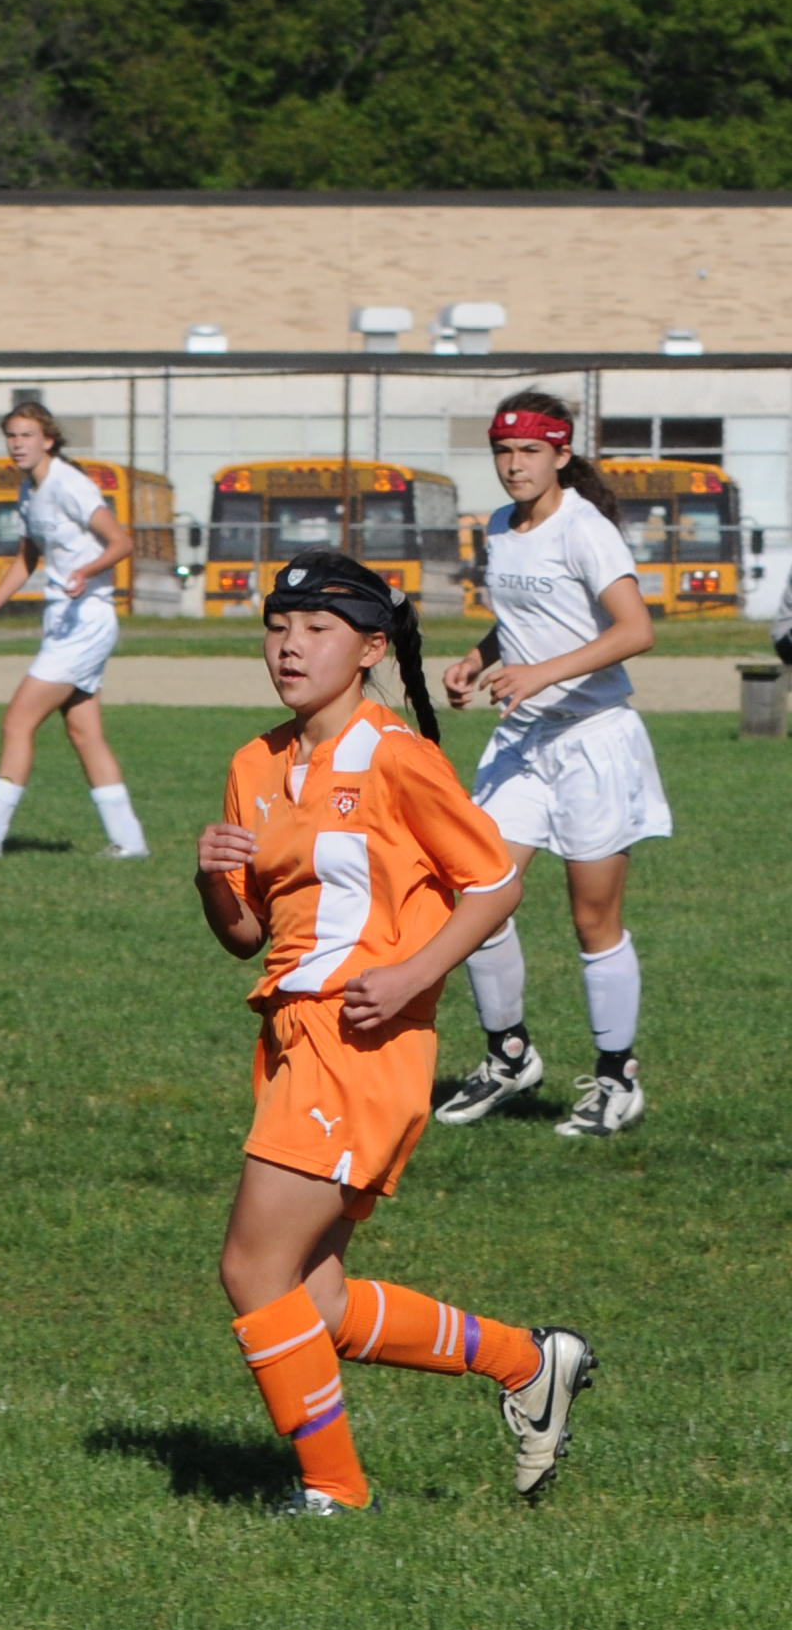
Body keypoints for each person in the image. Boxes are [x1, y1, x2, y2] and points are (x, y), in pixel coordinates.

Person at [196, 553, 589, 1515]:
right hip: (291, 1035)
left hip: (362, 1045)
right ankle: (528, 1362)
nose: (289, 647)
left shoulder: (397, 755)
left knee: (252, 1268)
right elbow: (246, 937)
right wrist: (211, 877)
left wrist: (414, 974)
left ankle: (334, 1492)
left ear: (372, 649)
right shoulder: (255, 763)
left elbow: (494, 883)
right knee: (314, 1299)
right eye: (277, 627)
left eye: (316, 630)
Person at [432, 393, 666, 1138]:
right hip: (523, 742)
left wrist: (542, 673)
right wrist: (478, 658)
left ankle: (617, 1080)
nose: (514, 465)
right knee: (479, 892)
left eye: (530, 451)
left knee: (593, 918)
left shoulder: (585, 528)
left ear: (561, 455)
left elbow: (636, 630)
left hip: (594, 741)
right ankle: (509, 1056)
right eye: (503, 451)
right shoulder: (502, 525)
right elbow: (523, 619)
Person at [0, 399, 151, 862]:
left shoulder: (69, 483)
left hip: (86, 619)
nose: (17, 444)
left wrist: (85, 571)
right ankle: (131, 842)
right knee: (84, 732)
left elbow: (121, 542)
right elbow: (26, 560)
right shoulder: (28, 491)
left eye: (27, 435)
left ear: (48, 440)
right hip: (64, 621)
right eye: (12, 436)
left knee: (17, 722)